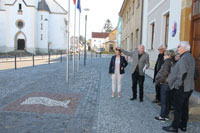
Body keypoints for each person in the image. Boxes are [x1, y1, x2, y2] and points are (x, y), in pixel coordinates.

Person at [162, 41, 195, 132]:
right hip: (188, 87)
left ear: (184, 48)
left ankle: (174, 127)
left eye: (179, 47)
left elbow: (182, 74)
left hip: (182, 87)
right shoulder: (190, 56)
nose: (177, 48)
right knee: (184, 107)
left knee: (178, 108)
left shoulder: (184, 58)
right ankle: (183, 125)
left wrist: (176, 85)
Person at [154, 50, 175, 122]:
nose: (164, 56)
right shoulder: (173, 61)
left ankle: (162, 116)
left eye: (165, 55)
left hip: (165, 83)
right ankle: (166, 115)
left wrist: (160, 81)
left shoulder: (167, 62)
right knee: (168, 101)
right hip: (170, 84)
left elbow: (165, 73)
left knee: (164, 101)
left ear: (169, 55)